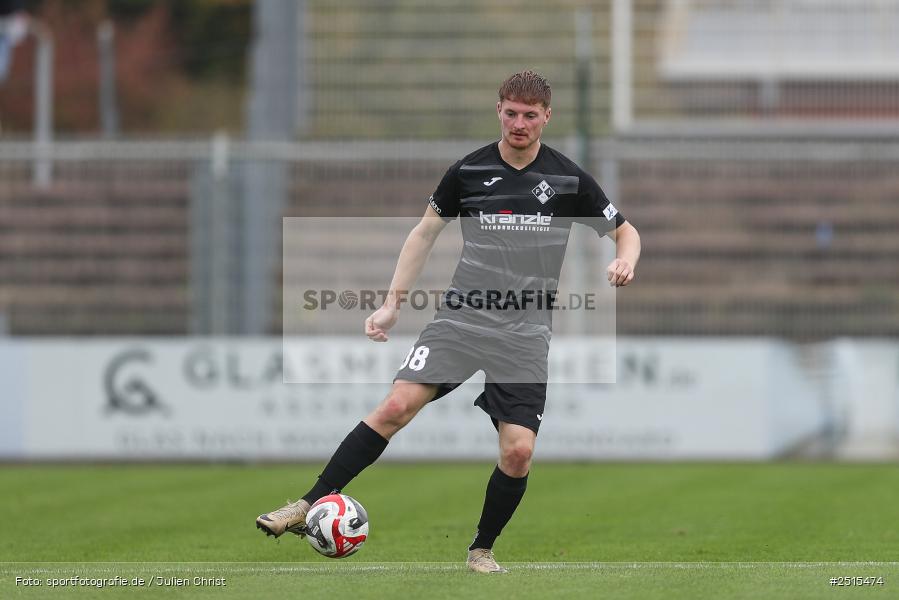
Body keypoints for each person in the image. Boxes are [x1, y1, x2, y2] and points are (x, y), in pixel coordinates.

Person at [257, 70, 641, 573]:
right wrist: (392, 303)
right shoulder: (468, 172)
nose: (519, 123)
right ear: (498, 110)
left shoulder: (568, 179)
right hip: (461, 319)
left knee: (519, 451)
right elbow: (422, 235)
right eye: (511, 112)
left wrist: (625, 259)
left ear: (548, 116)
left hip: (523, 335)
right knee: (396, 405)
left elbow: (626, 231)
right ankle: (306, 505)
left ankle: (481, 548)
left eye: (530, 115)